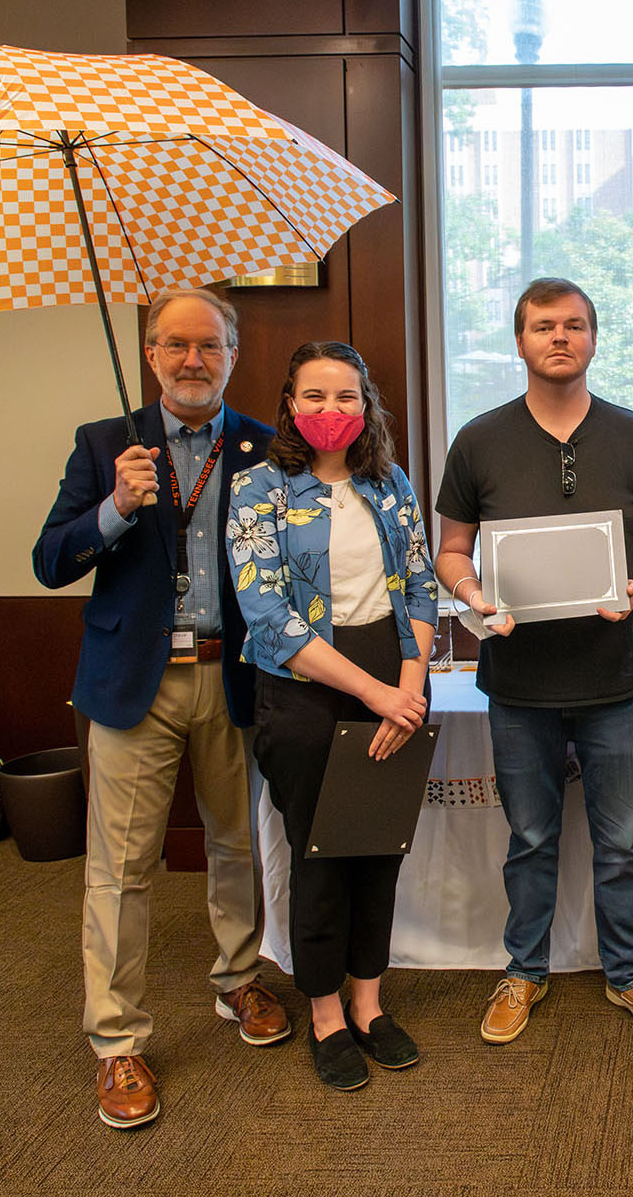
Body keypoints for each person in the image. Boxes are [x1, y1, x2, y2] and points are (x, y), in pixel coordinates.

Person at [33, 287, 289, 1130]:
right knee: (122, 866)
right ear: (150, 356)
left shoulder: (261, 445)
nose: (192, 360)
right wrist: (114, 508)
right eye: (175, 345)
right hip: (134, 682)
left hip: (234, 675)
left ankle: (238, 980)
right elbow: (49, 560)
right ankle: (117, 1040)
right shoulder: (105, 444)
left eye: (208, 346)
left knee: (234, 843)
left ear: (231, 355)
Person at [435, 277, 633, 1045]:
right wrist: (475, 594)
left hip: (613, 681)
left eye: (574, 325)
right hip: (516, 686)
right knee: (531, 840)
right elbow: (451, 550)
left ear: (593, 338)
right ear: (519, 341)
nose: (560, 337)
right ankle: (524, 970)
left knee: (620, 842)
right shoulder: (479, 439)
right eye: (544, 326)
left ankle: (630, 973)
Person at [229, 341, 437, 1093]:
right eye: (314, 396)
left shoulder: (389, 483)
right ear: (290, 403)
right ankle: (324, 1014)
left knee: (379, 847)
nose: (330, 411)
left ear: (366, 405)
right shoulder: (260, 490)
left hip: (393, 669)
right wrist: (380, 695)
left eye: (345, 397)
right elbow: (270, 617)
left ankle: (369, 1005)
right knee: (319, 856)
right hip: (304, 688)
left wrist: (408, 686)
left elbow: (420, 588)